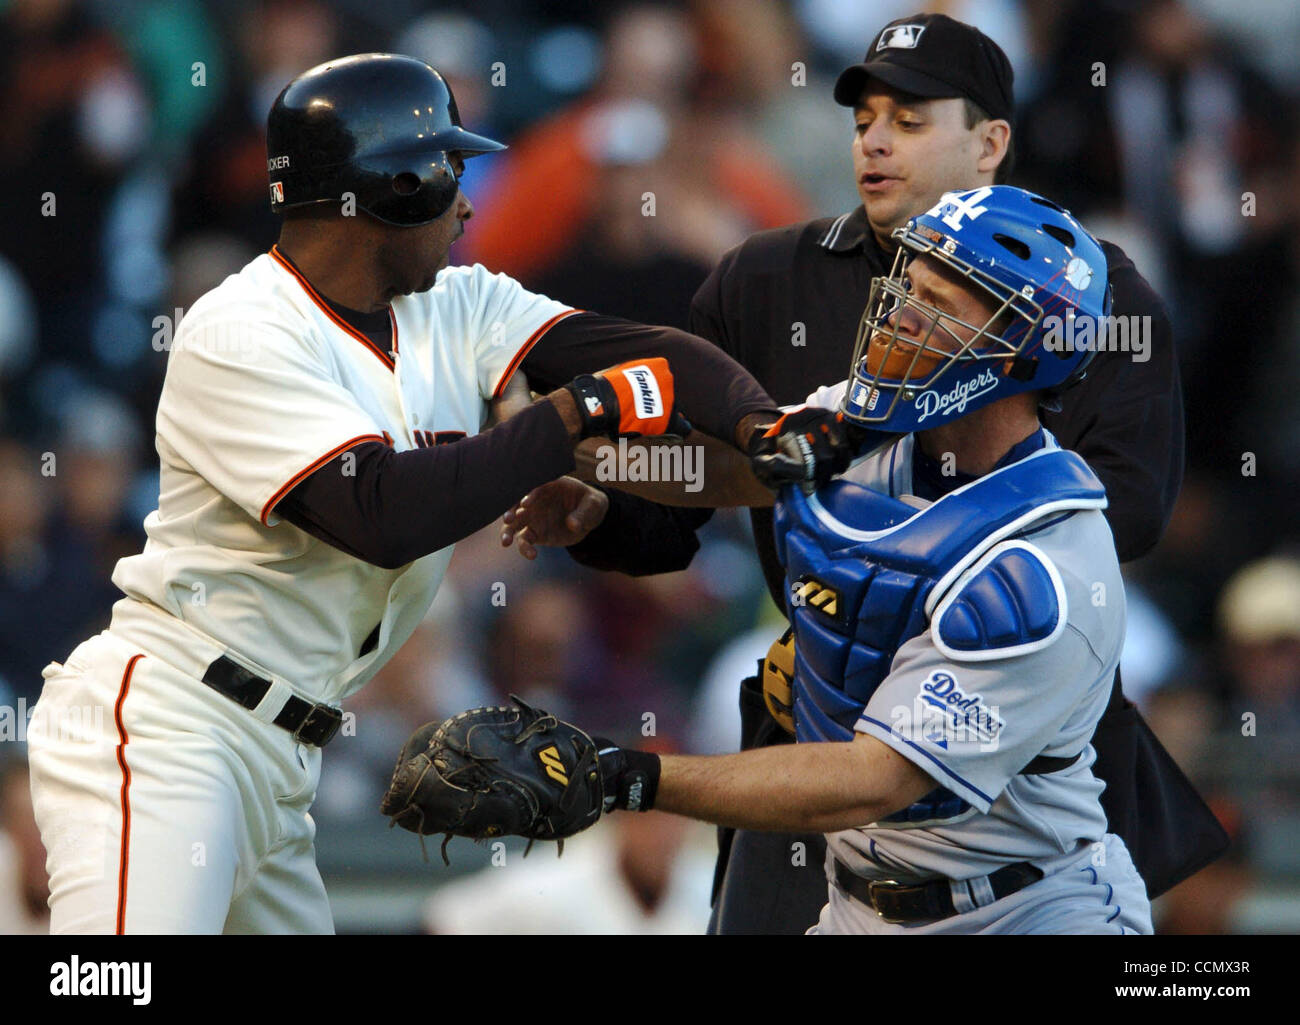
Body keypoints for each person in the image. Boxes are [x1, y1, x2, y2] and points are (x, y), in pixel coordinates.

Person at [24, 52, 794, 935]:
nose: (467, 203)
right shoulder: (240, 330)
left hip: (281, 754)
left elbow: (660, 352)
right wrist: (570, 418)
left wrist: (763, 428)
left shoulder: (456, 304)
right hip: (174, 725)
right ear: (391, 187)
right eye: (448, 171)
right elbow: (382, 513)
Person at [500, 12, 1224, 933]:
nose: (875, 140)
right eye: (864, 118)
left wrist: (620, 773)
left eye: (912, 120)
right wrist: (581, 465)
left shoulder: (1051, 519)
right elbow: (747, 470)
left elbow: (1129, 512)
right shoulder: (846, 380)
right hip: (830, 779)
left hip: (1006, 798)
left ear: (991, 141)